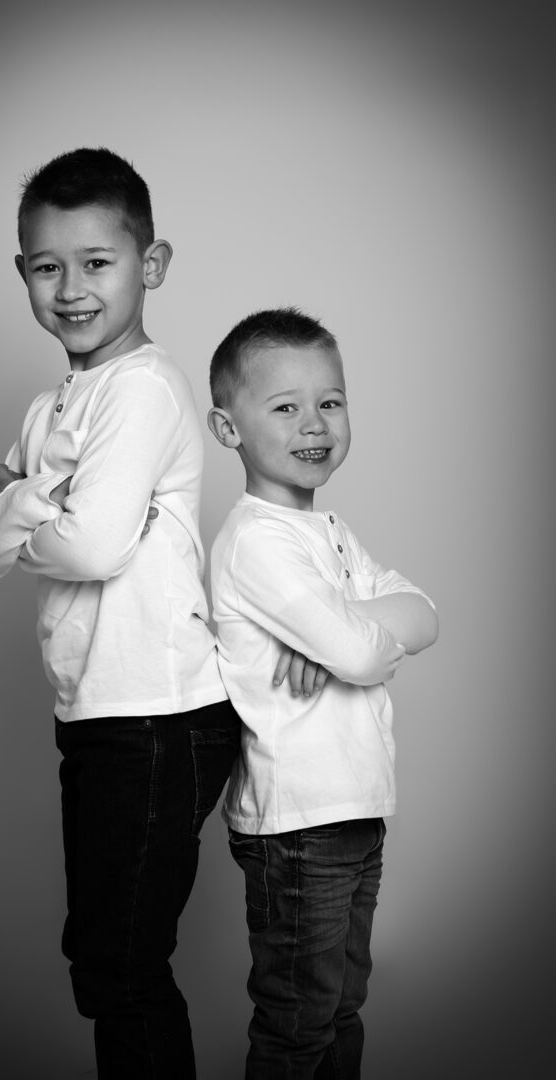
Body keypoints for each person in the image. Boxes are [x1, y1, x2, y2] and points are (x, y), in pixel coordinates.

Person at [0, 147, 242, 1079]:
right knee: (106, 960)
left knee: (118, 963)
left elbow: (90, 548)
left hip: (158, 715)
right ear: (23, 274)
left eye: (98, 262)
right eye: (48, 266)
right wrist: (47, 495)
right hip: (97, 713)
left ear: (149, 267)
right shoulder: (52, 409)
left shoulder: (145, 388)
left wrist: (17, 501)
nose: (71, 288)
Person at [207, 308, 438, 1079]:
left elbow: (425, 615)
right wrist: (354, 643)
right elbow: (358, 653)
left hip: (356, 811)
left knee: (340, 1007)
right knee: (299, 1022)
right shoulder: (256, 539)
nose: (315, 423)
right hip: (300, 823)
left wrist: (357, 631)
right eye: (284, 406)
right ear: (227, 427)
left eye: (330, 402)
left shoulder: (331, 532)